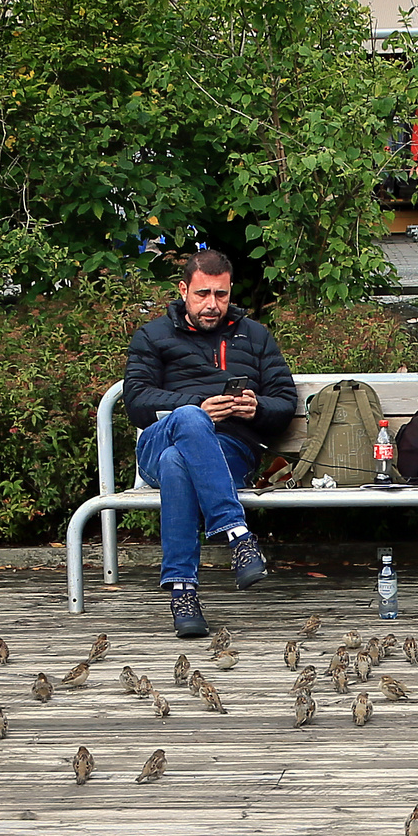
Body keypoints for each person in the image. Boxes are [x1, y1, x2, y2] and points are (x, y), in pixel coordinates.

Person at [123, 249, 297, 637]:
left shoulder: (253, 335)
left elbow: (285, 402)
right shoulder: (153, 336)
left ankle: (183, 592)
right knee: (188, 420)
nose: (212, 305)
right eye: (203, 294)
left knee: (177, 463)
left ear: (230, 290)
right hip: (159, 438)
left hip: (230, 451)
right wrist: (195, 406)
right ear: (184, 289)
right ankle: (237, 533)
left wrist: (257, 408)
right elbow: (136, 402)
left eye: (220, 295)